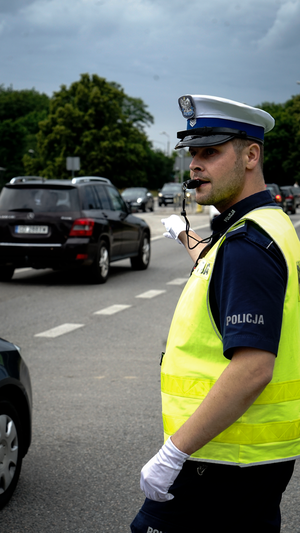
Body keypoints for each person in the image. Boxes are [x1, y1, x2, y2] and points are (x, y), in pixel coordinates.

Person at [130, 95, 300, 533]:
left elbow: (253, 368)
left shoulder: (246, 246)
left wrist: (173, 454)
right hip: (247, 461)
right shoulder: (267, 225)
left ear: (250, 155)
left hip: (218, 459)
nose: (194, 165)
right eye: (192, 153)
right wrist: (185, 236)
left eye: (210, 151)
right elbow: (223, 267)